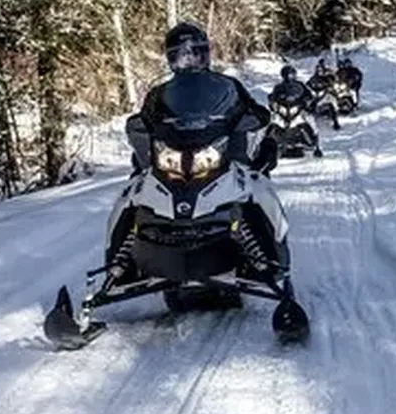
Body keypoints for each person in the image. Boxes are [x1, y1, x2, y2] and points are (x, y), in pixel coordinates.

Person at [107, 22, 283, 283]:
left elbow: (253, 111)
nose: (188, 60)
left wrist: (252, 118)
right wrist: (140, 128)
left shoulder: (226, 86)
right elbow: (145, 120)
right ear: (171, 59)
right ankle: (119, 268)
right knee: (133, 195)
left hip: (220, 156)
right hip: (174, 159)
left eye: (194, 53)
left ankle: (270, 256)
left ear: (205, 54)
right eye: (181, 54)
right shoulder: (160, 95)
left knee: (254, 186)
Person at [268, 65, 322, 157]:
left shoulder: (300, 85)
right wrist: (273, 102)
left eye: (290, 74)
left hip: (298, 107)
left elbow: (308, 94)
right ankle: (265, 145)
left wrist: (307, 100)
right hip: (284, 109)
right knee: (271, 122)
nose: (289, 76)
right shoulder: (279, 87)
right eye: (287, 75)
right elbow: (273, 96)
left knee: (309, 119)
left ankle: (316, 145)